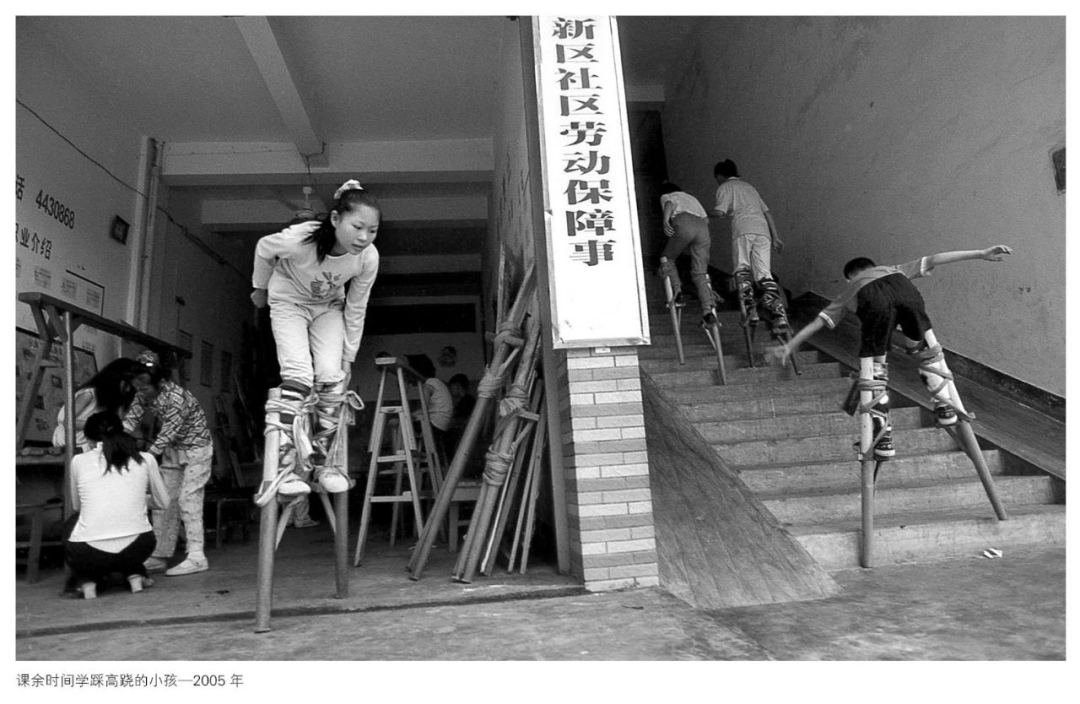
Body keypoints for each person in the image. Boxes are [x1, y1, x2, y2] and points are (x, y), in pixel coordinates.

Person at [771, 245, 1014, 458]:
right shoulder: (895, 269)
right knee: (922, 349)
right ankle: (945, 406)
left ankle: (883, 436)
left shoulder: (851, 288)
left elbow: (818, 322)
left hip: (873, 304)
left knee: (876, 369)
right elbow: (936, 258)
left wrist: (789, 346)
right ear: (874, 266)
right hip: (908, 296)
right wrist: (981, 253)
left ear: (848, 278)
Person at [250, 179, 380, 500]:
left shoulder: (367, 258)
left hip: (328, 307)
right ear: (335, 219)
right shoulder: (300, 239)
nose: (364, 237)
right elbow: (264, 248)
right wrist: (260, 287)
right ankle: (286, 467)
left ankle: (325, 465)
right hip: (289, 302)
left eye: (372, 230)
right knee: (298, 374)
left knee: (332, 376)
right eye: (358, 227)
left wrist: (348, 357)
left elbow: (357, 306)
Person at [123, 350, 215, 576]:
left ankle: (196, 556)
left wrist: (145, 458)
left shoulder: (177, 398)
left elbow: (167, 433)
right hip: (173, 451)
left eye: (144, 388)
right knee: (163, 501)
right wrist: (115, 439)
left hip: (196, 450)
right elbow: (131, 419)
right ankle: (158, 555)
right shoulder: (143, 393)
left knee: (189, 500)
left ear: (161, 382)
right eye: (137, 388)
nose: (140, 392)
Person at [65, 412, 171, 599]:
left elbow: (77, 506)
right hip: (139, 547)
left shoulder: (78, 461)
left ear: (89, 440)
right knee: (136, 523)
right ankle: (135, 574)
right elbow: (164, 502)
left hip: (87, 552)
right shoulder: (145, 459)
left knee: (71, 524)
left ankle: (88, 581)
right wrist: (138, 500)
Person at [712, 159, 788, 332]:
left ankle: (750, 310)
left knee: (742, 270)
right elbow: (767, 213)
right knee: (764, 274)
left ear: (720, 175)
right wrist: (775, 237)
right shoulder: (750, 187)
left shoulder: (725, 187)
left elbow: (720, 212)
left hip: (743, 230)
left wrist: (701, 213)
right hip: (763, 232)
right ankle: (779, 314)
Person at [656, 181, 718, 327]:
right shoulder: (692, 198)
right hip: (703, 229)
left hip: (684, 221)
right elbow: (706, 219)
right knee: (700, 272)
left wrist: (665, 222)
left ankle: (678, 292)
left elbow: (669, 204)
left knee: (667, 258)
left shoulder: (667, 195)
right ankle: (707, 310)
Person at [53, 357, 140, 452]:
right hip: (71, 444)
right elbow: (68, 422)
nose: (128, 389)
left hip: (91, 446)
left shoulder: (115, 402)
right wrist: (99, 426)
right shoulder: (89, 394)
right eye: (126, 384)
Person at [407, 354, 453, 453]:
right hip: (443, 423)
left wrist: (408, 415)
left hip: (435, 423)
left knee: (404, 424)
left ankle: (411, 454)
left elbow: (424, 408)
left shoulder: (428, 385)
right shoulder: (436, 382)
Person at [446, 373, 476, 456]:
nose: (450, 391)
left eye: (452, 388)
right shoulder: (467, 400)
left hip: (461, 434)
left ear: (457, 386)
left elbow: (460, 419)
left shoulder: (467, 401)